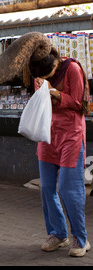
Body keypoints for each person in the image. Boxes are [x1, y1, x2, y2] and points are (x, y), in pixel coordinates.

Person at [28, 47, 91, 257]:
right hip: (47, 134)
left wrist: (53, 91)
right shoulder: (38, 74)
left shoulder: (72, 68)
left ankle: (80, 239)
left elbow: (78, 103)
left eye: (49, 73)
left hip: (71, 135)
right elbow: (40, 103)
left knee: (68, 188)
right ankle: (58, 233)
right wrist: (41, 90)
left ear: (55, 62)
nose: (47, 77)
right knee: (46, 187)